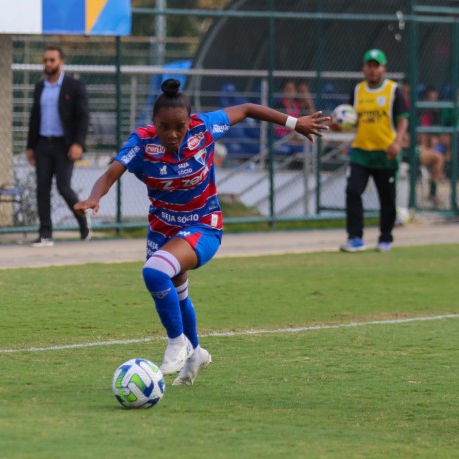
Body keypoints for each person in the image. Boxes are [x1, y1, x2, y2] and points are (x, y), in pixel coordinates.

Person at [74, 79, 329, 385]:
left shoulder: (204, 128)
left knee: (154, 272)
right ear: (153, 122)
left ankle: (177, 343)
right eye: (164, 127)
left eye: (179, 127)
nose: (172, 134)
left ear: (190, 122)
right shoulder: (141, 143)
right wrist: (94, 197)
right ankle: (195, 354)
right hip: (163, 229)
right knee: (178, 292)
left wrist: (294, 122)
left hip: (203, 225)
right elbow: (109, 174)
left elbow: (247, 109)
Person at [338, 49, 409, 252]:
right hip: (361, 152)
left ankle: (385, 238)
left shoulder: (393, 90)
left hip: (385, 153)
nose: (372, 70)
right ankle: (355, 238)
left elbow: (403, 119)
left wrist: (397, 142)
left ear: (383, 69)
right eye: (369, 65)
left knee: (387, 198)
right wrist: (339, 125)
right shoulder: (357, 90)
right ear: (363, 68)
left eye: (376, 66)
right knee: (353, 191)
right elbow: (351, 119)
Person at [26, 46, 91, 248]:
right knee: (42, 189)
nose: (48, 64)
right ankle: (45, 234)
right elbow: (34, 117)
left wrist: (78, 143)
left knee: (63, 187)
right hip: (43, 144)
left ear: (61, 62)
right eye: (45, 60)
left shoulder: (74, 86)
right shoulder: (40, 87)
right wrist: (30, 146)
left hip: (65, 145)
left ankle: (83, 221)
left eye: (52, 60)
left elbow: (83, 117)